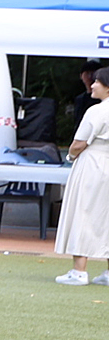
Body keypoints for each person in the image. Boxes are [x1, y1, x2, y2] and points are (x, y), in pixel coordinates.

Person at [56, 59, 109, 283]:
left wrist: (70, 156)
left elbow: (79, 144)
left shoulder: (96, 111)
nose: (93, 85)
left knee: (83, 211)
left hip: (93, 164)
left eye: (97, 81)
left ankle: (79, 271)